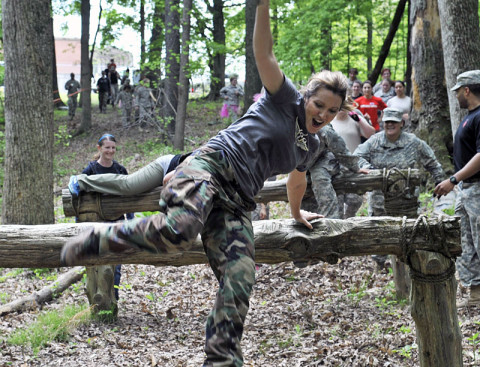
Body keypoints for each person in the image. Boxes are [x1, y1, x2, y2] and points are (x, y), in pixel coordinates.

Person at [61, 1, 349, 365]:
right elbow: (264, 52)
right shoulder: (285, 98)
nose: (321, 114)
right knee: (179, 232)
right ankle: (101, 239)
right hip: (211, 166)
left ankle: (222, 361)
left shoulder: (314, 143)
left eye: (331, 111)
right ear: (308, 97)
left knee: (240, 278)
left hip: (238, 200)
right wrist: (262, 6)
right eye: (318, 104)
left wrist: (297, 213)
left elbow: (297, 179)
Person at [354, 108, 445, 269]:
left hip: (406, 200)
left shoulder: (413, 142)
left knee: (408, 233)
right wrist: (368, 168)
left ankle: (409, 265)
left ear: (401, 123)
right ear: (383, 123)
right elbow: (357, 156)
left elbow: (432, 162)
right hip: (380, 201)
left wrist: (440, 181)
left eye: (394, 122)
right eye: (387, 121)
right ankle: (379, 266)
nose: (390, 125)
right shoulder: (374, 141)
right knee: (379, 233)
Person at [434, 70, 480, 307]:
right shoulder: (469, 117)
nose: (456, 97)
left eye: (457, 92)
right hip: (467, 189)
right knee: (466, 240)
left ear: (467, 90)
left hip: (477, 188)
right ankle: (476, 293)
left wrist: (453, 180)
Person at [77, 133, 135, 300]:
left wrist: (130, 221)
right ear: (99, 148)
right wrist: (78, 224)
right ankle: (98, 299)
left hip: (117, 222)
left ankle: (113, 297)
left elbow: (129, 197)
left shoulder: (120, 170)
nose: (110, 151)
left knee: (116, 264)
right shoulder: (90, 170)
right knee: (96, 261)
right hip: (96, 223)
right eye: (107, 147)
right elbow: (80, 197)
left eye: (113, 148)